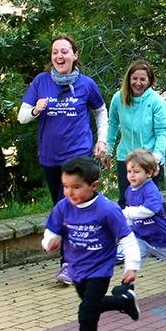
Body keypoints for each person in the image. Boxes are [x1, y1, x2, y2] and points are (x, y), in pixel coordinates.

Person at [18, 35, 108, 286]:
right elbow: (22, 117)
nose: (60, 56)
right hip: (49, 155)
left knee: (65, 206)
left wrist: (102, 141)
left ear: (74, 55)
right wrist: (35, 110)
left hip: (77, 154)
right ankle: (90, 250)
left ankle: (68, 264)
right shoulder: (40, 82)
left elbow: (101, 111)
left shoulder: (86, 84)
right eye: (55, 52)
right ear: (51, 57)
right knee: (65, 206)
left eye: (65, 51)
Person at [41, 156, 141, 331]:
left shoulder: (107, 209)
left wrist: (131, 266)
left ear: (93, 185)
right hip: (76, 268)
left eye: (76, 187)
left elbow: (127, 238)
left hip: (100, 269)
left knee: (87, 312)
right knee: (92, 304)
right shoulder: (63, 207)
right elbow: (50, 232)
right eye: (65, 187)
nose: (70, 193)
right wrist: (50, 243)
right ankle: (124, 301)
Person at [117, 149, 166, 298]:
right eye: (129, 171)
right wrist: (126, 226)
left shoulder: (150, 189)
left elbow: (150, 210)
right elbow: (131, 214)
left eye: (136, 172)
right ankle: (127, 285)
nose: (132, 175)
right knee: (133, 259)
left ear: (149, 173)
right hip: (140, 235)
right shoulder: (129, 191)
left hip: (158, 235)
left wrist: (126, 213)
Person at [104, 59, 166, 207]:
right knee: (125, 200)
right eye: (134, 79)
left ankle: (150, 230)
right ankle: (124, 230)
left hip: (149, 159)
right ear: (129, 79)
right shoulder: (118, 98)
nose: (138, 83)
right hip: (126, 158)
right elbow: (113, 124)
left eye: (142, 79)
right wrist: (108, 150)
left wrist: (156, 158)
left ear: (149, 80)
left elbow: (161, 132)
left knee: (147, 203)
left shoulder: (156, 101)